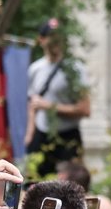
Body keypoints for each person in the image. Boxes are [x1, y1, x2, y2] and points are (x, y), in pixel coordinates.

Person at [26, 19, 89, 171]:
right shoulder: (35, 69)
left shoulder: (74, 68)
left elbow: (85, 109)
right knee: (35, 185)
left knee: (69, 187)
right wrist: (29, 135)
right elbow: (33, 104)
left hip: (67, 137)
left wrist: (49, 106)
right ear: (41, 40)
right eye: (51, 36)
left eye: (58, 36)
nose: (55, 40)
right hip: (41, 135)